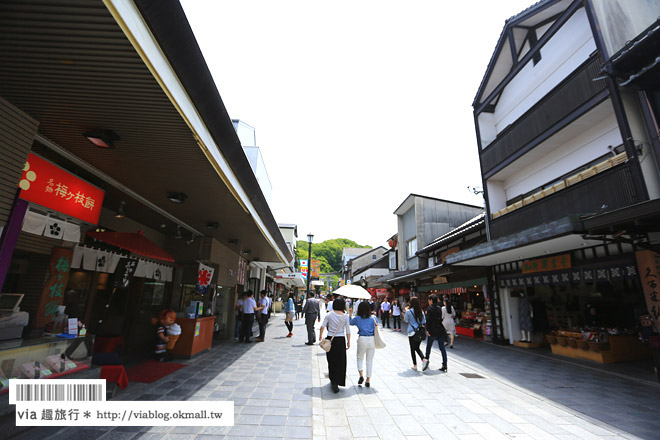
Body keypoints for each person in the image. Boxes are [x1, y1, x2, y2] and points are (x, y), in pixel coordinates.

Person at [319, 297, 351, 393]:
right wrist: (348, 341)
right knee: (341, 361)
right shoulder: (345, 316)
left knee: (331, 360)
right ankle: (338, 381)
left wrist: (320, 336)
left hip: (330, 340)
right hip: (341, 340)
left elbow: (322, 326)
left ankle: (333, 381)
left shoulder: (329, 314)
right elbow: (348, 330)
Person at [349, 302, 377, 387]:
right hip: (372, 339)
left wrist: (350, 314)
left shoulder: (357, 318)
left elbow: (350, 322)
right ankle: (368, 379)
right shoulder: (373, 318)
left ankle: (361, 374)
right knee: (369, 361)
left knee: (359, 358)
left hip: (362, 339)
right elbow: (376, 326)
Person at [424, 295, 447, 372]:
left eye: (429, 300)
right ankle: (445, 364)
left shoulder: (429, 309)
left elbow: (428, 321)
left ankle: (426, 361)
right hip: (440, 329)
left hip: (432, 330)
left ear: (431, 300)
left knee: (429, 347)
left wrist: (428, 330)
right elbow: (440, 318)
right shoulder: (439, 308)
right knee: (442, 348)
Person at [404, 297, 427, 371]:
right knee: (417, 347)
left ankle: (415, 365)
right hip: (420, 332)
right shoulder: (421, 311)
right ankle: (423, 359)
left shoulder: (409, 312)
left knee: (412, 349)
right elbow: (424, 321)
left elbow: (406, 320)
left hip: (412, 332)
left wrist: (406, 311)